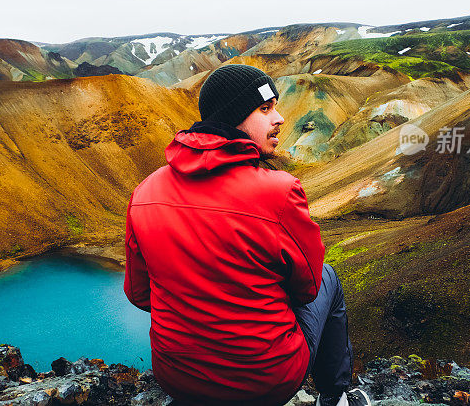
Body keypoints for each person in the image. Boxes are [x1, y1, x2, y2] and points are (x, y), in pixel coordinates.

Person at [124, 64, 371, 406]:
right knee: (328, 276)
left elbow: (140, 295)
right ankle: (336, 395)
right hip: (265, 382)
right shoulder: (280, 192)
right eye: (266, 109)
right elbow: (308, 290)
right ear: (234, 118)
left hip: (177, 378)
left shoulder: (145, 191)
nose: (280, 119)